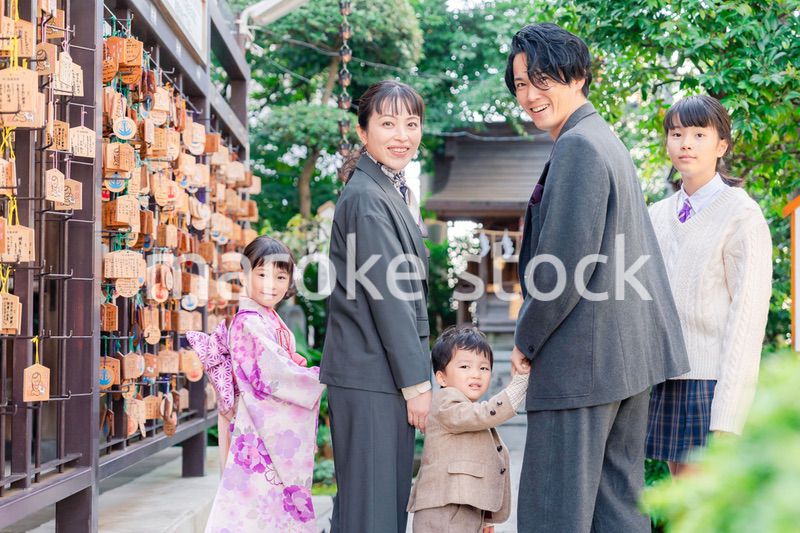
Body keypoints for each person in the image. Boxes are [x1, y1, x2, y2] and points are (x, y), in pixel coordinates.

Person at [505, 23, 690, 532]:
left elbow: (563, 265)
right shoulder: (601, 138)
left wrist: (527, 337)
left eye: (542, 79)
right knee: (616, 509)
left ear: (579, 76)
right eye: (520, 84)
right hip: (621, 362)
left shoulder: (579, 146)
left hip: (581, 364)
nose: (530, 95)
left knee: (554, 511)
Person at [321, 80, 431, 533]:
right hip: (374, 375)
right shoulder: (369, 197)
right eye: (387, 123)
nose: (402, 134)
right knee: (374, 513)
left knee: (370, 508)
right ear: (363, 132)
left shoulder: (386, 189)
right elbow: (390, 298)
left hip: (372, 374)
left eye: (411, 123)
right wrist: (416, 383)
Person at [646, 95, 772, 475]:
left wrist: (729, 414)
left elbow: (747, 320)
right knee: (682, 505)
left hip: (711, 383)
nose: (686, 143)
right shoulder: (657, 214)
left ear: (722, 145)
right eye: (677, 133)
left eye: (699, 134)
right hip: (664, 377)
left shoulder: (741, 214)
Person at [187, 236, 325, 533]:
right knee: (259, 507)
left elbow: (280, 364)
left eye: (279, 276)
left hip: (259, 423)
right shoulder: (249, 321)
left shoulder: (265, 317)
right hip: (256, 426)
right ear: (244, 274)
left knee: (262, 508)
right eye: (261, 274)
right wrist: (319, 377)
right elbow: (273, 374)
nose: (270, 284)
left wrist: (296, 366)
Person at [408, 326, 529, 533]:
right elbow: (483, 414)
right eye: (465, 367)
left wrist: (485, 519)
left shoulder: (466, 409)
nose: (476, 374)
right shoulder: (445, 403)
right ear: (441, 378)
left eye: (484, 368)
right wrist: (519, 384)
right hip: (443, 510)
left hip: (464, 509)